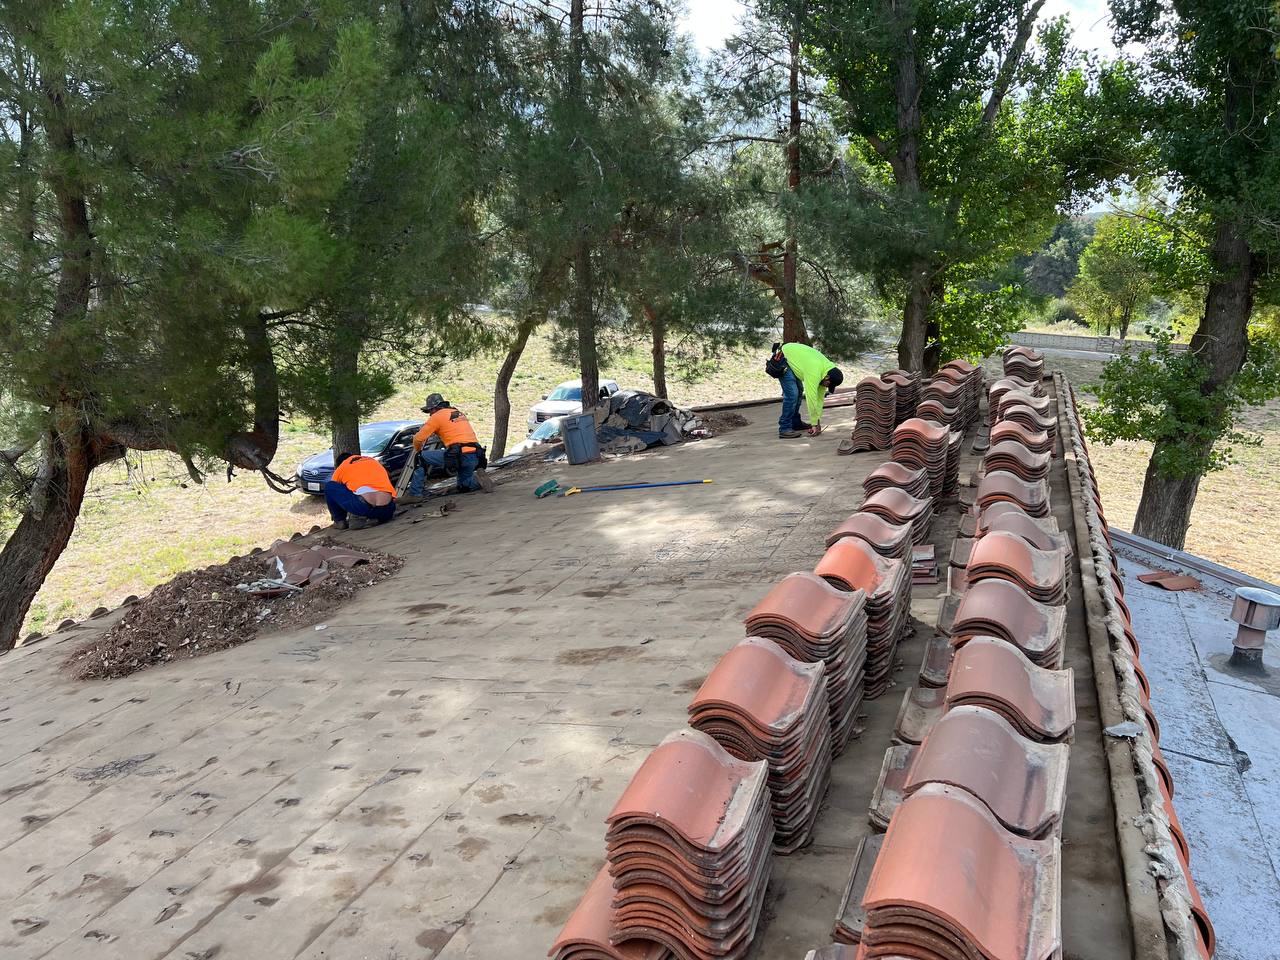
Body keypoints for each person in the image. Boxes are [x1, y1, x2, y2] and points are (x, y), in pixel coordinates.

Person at [409, 393, 494, 496]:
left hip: (458, 454)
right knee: (464, 486)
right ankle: (478, 481)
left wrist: (418, 450)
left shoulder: (437, 417)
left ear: (435, 408)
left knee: (420, 457)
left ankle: (415, 494)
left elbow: (418, 439)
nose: (430, 414)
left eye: (430, 410)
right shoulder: (458, 413)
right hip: (475, 454)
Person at [770, 341, 844, 439]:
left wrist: (817, 421)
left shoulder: (826, 372)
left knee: (799, 391)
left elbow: (819, 399)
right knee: (792, 394)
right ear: (827, 377)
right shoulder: (815, 371)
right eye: (828, 385)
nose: (826, 387)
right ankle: (784, 428)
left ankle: (795, 423)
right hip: (783, 356)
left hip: (794, 358)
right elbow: (811, 397)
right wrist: (814, 424)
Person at [325, 452, 397, 529]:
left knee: (329, 486)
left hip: (364, 506)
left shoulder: (342, 466)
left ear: (339, 464)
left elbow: (335, 492)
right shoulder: (373, 461)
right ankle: (376, 517)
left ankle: (340, 521)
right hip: (388, 508)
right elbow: (389, 476)